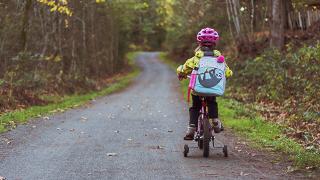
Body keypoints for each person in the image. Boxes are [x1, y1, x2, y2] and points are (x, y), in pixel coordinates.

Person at [176, 27, 233, 140]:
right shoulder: (219, 59)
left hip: (197, 90)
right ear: (215, 43)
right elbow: (227, 72)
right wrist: (227, 74)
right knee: (212, 102)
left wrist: (180, 72)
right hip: (212, 90)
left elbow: (184, 68)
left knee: (195, 107)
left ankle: (191, 127)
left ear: (199, 42)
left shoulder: (196, 58)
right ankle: (215, 121)